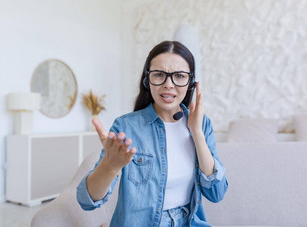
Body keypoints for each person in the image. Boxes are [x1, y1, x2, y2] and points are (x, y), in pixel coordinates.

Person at [77, 40, 228, 227]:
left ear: (191, 82)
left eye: (179, 76)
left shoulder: (202, 123)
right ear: (147, 79)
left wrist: (197, 133)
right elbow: (87, 201)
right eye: (159, 75)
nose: (168, 84)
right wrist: (110, 166)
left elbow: (217, 192)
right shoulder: (126, 126)